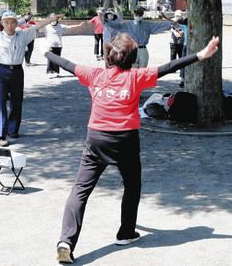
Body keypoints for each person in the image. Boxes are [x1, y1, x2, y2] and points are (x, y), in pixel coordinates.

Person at [49, 33, 220, 263]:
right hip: (125, 140)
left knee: (80, 189)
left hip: (96, 139)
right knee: (132, 185)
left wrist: (47, 53)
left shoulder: (94, 74)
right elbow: (169, 67)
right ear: (133, 59)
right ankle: (126, 232)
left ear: (108, 56)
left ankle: (66, 241)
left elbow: (66, 64)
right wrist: (200, 55)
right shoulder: (136, 77)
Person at [0, 6, 62, 146]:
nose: (10, 25)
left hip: (17, 72)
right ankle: (1, 135)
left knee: (16, 101)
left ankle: (13, 129)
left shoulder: (23, 34)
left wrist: (52, 19)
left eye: (13, 22)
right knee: (0, 103)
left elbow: (38, 25)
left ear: (17, 23)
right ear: (2, 23)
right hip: (1, 72)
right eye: (7, 22)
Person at [104, 5, 172, 68]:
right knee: (132, 69)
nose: (138, 16)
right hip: (132, 50)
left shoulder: (147, 24)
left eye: (140, 14)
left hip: (143, 50)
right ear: (134, 14)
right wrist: (104, 19)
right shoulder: (127, 25)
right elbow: (115, 25)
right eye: (137, 14)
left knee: (142, 71)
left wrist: (171, 23)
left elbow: (159, 26)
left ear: (142, 14)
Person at [43, 13, 86, 78]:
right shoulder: (47, 26)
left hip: (58, 46)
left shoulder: (61, 26)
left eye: (54, 17)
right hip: (49, 46)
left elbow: (70, 27)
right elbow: (43, 33)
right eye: (51, 17)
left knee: (57, 59)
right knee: (50, 59)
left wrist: (79, 25)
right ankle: (49, 71)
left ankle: (56, 72)